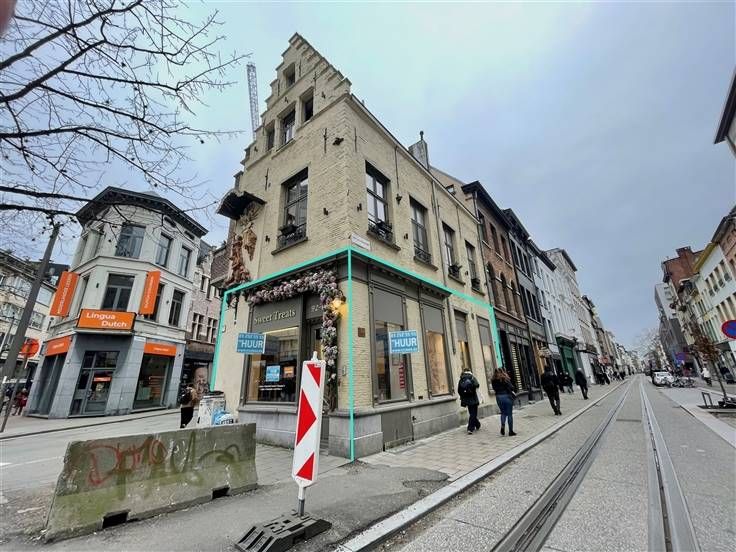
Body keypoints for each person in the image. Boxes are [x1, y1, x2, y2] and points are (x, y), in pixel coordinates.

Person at [491, 368, 516, 436]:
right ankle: (510, 431)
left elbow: (494, 389)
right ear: (502, 372)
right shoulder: (505, 378)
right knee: (509, 414)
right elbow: (511, 387)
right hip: (506, 396)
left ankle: (503, 426)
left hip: (498, 397)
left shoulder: (493, 380)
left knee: (503, 413)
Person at [457, 369, 481, 434]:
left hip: (466, 399)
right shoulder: (472, 377)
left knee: (472, 413)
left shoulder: (461, 379)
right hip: (473, 398)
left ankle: (477, 424)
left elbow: (459, 390)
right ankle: (470, 428)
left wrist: (463, 396)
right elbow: (477, 385)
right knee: (473, 413)